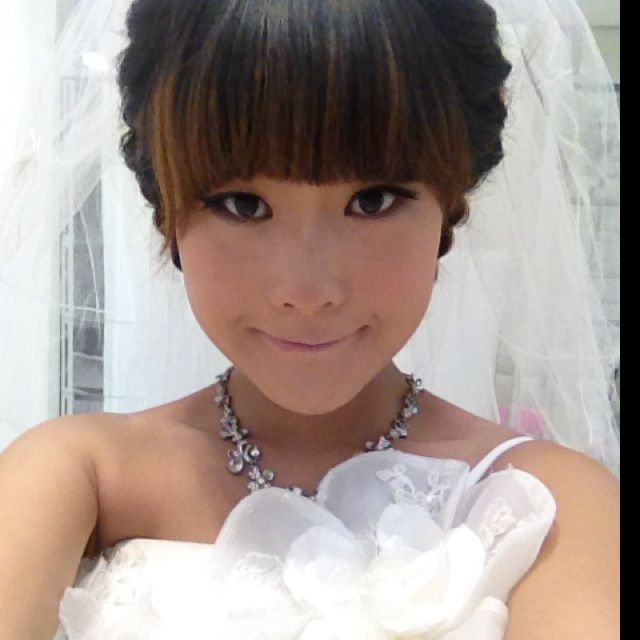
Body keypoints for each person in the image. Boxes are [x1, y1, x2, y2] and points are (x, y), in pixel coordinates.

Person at [0, 0, 619, 639]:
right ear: (169, 214)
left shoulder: (549, 502)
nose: (307, 291)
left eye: (372, 201)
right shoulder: (78, 476)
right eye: (243, 205)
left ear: (450, 207)